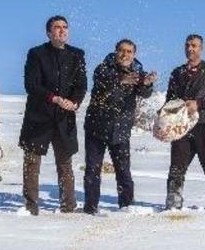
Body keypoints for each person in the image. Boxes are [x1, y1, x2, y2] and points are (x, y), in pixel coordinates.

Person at [18, 15, 87, 215]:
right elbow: (31, 85)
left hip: (64, 118)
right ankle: (31, 206)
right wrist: (53, 98)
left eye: (65, 27)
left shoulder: (77, 55)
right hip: (39, 116)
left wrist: (74, 102)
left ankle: (68, 206)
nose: (62, 30)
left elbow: (81, 85)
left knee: (65, 163)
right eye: (57, 27)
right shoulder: (36, 53)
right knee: (32, 162)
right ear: (49, 33)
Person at [82, 39, 157, 215]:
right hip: (96, 127)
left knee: (123, 171)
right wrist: (121, 79)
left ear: (134, 54)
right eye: (122, 50)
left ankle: (127, 205)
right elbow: (103, 82)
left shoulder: (138, 72)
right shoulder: (103, 68)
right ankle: (90, 207)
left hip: (121, 130)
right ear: (116, 52)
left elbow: (144, 93)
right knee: (92, 170)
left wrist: (147, 84)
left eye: (129, 51)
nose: (125, 54)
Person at [164, 34, 205, 211]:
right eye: (187, 45)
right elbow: (170, 100)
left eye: (194, 45)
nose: (190, 48)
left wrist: (198, 103)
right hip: (182, 127)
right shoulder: (176, 73)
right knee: (176, 167)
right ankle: (173, 204)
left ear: (201, 48)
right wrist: (164, 119)